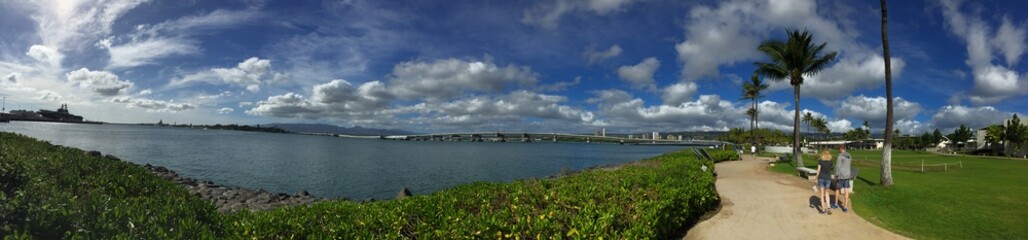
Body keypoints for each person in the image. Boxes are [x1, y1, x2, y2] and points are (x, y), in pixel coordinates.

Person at [833, 145, 853, 213]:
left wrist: (836, 175)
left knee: (837, 189)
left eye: (839, 149)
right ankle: (845, 207)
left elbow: (838, 166)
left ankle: (836, 204)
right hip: (847, 175)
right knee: (846, 190)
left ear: (841, 149)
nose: (838, 150)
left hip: (841, 175)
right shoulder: (849, 155)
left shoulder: (840, 156)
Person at [815, 149, 834, 215]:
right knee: (827, 193)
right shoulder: (831, 161)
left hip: (821, 178)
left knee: (822, 194)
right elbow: (829, 168)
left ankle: (823, 209)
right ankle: (828, 207)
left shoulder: (820, 161)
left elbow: (818, 170)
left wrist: (816, 178)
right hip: (828, 178)